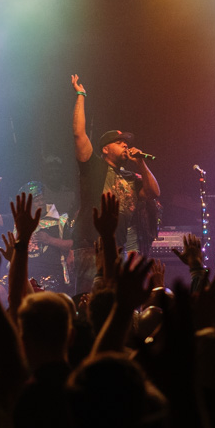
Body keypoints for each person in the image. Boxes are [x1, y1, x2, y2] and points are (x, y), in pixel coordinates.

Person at [70, 75, 160, 293]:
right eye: (119, 143)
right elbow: (78, 134)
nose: (125, 145)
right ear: (105, 149)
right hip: (91, 245)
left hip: (117, 248)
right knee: (89, 300)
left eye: (126, 143)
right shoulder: (94, 167)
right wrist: (81, 95)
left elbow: (153, 192)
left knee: (114, 301)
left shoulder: (132, 177)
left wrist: (140, 163)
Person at [0, 172, 74, 293]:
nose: (41, 203)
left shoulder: (56, 220)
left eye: (42, 199)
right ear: (27, 203)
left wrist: (49, 240)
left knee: (39, 297)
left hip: (49, 275)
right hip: (21, 272)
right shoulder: (19, 219)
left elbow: (71, 243)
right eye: (37, 200)